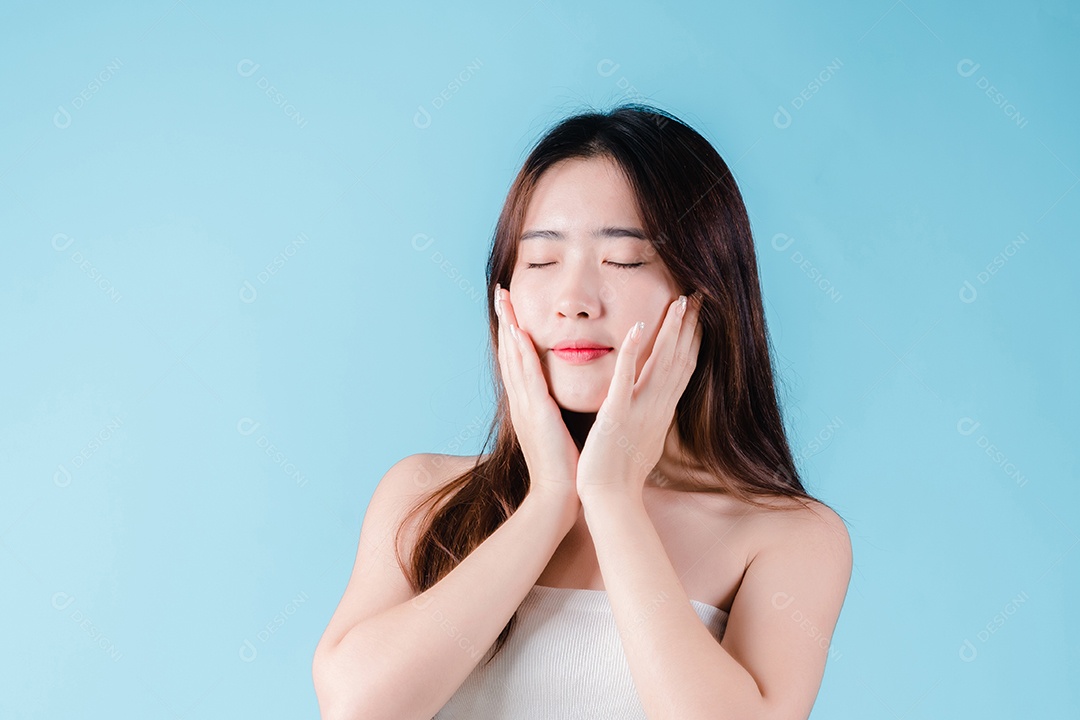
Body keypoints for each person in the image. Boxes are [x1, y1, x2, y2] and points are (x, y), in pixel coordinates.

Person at [312, 103, 853, 720]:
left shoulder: (789, 537)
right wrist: (548, 500)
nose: (573, 300)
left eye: (623, 260)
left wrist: (613, 497)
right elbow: (358, 709)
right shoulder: (424, 494)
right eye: (541, 262)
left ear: (704, 295)